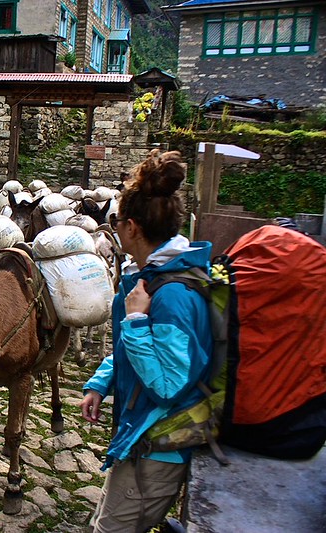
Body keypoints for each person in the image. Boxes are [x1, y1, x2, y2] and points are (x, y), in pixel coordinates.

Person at [80, 149, 213, 533]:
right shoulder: (150, 279)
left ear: (132, 227)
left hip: (158, 446)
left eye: (116, 221)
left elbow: (170, 385)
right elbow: (135, 350)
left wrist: (136, 319)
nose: (115, 229)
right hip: (138, 433)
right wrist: (101, 382)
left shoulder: (171, 295)